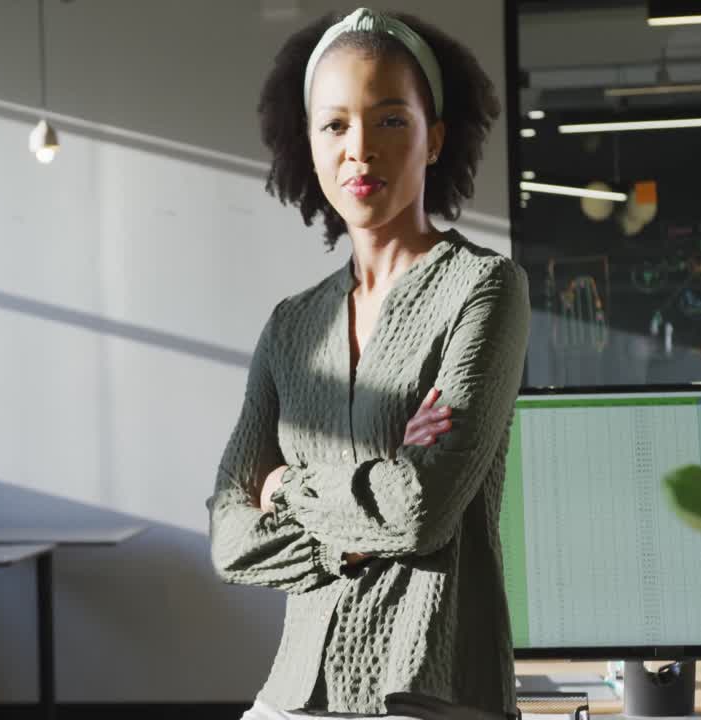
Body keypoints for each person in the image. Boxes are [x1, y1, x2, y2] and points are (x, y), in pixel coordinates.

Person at [206, 7, 530, 720]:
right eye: (335, 125)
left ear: (435, 137)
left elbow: (421, 510)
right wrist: (357, 525)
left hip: (429, 688)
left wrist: (286, 487)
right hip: (295, 691)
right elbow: (229, 536)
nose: (360, 149)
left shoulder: (483, 288)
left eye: (389, 120)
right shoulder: (291, 327)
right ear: (309, 144)